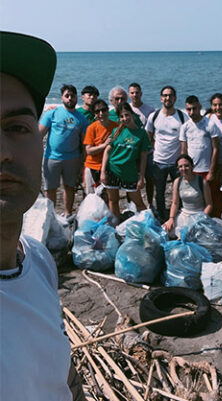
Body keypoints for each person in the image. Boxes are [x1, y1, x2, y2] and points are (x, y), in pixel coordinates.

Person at [1, 30, 84, 400]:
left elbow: (60, 373)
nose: (2, 153)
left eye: (16, 128)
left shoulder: (38, 260)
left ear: (40, 143)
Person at [39, 83, 89, 218]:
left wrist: (83, 163)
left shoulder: (82, 119)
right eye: (67, 96)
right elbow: (39, 134)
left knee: (69, 187)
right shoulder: (52, 113)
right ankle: (50, 215)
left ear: (76, 98)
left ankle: (67, 214)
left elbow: (85, 144)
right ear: (62, 98)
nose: (70, 98)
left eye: (72, 96)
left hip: (72, 159)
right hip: (51, 158)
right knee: (50, 189)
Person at [100, 103, 150, 218]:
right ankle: (115, 226)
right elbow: (107, 151)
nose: (125, 119)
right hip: (112, 170)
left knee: (139, 203)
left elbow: (143, 157)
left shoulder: (142, 134)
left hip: (129, 172)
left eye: (127, 115)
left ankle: (147, 225)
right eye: (122, 116)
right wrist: (103, 171)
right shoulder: (116, 131)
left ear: (132, 114)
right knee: (113, 200)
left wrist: (141, 177)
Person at [146, 86, 185, 220]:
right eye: (165, 95)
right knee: (160, 192)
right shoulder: (154, 116)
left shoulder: (181, 116)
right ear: (161, 98)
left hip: (177, 163)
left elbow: (185, 138)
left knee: (179, 191)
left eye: (170, 95)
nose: (167, 98)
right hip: (159, 161)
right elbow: (148, 136)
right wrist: (155, 150)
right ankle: (162, 216)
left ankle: (179, 216)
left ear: (175, 98)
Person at [162, 154, 212, 238]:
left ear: (192, 166)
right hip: (184, 214)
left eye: (186, 166)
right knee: (164, 230)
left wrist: (202, 218)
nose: (183, 169)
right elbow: (175, 203)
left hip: (199, 215)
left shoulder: (202, 181)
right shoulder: (177, 182)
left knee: (192, 236)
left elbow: (209, 205)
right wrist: (171, 218)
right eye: (180, 166)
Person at [179, 96, 220, 180]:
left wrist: (211, 171)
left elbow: (216, 148)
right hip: (191, 170)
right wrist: (185, 170)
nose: (192, 112)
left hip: (206, 169)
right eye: (189, 109)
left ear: (200, 107)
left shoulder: (210, 124)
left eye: (194, 108)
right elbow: (184, 150)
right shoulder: (185, 127)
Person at [82, 99, 118, 194]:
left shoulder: (116, 127)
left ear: (108, 111)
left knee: (108, 197)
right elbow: (89, 150)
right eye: (97, 111)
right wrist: (104, 145)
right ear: (94, 114)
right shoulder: (91, 128)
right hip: (92, 166)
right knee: (90, 197)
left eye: (103, 110)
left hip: (110, 167)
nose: (101, 113)